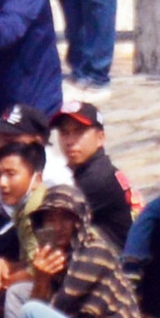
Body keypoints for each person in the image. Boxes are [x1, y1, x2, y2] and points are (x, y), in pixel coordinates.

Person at [0, 182, 142, 318]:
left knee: (31, 313)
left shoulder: (93, 253)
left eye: (66, 218)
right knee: (18, 292)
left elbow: (55, 310)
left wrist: (41, 279)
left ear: (78, 221)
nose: (58, 227)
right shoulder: (64, 255)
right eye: (51, 219)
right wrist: (42, 279)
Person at [51, 98, 134, 248]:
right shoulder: (85, 169)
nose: (70, 141)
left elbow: (50, 220)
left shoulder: (98, 179)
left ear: (100, 138)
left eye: (79, 132)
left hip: (125, 266)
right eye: (64, 133)